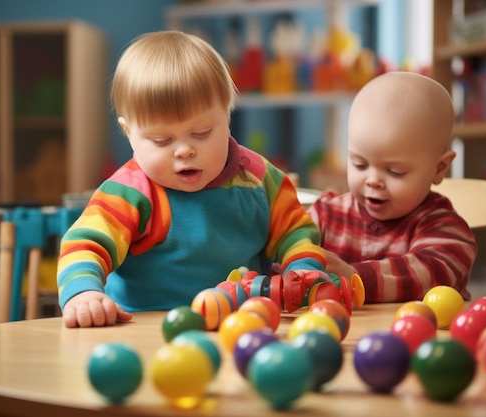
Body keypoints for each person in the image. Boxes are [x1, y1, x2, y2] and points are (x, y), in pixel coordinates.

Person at [56, 30, 329, 328]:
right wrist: (83, 294)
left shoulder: (260, 180)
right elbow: (84, 245)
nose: (185, 150)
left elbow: (297, 234)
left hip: (242, 325)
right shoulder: (128, 192)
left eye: (201, 133)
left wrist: (303, 273)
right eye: (161, 140)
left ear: (227, 116)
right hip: (144, 330)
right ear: (129, 133)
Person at [307, 71, 478, 303]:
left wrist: (354, 276)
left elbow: (431, 274)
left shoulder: (445, 229)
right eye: (360, 164)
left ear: (439, 168)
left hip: (419, 337)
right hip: (341, 335)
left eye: (395, 171)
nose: (373, 180)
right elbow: (286, 251)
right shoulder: (325, 214)